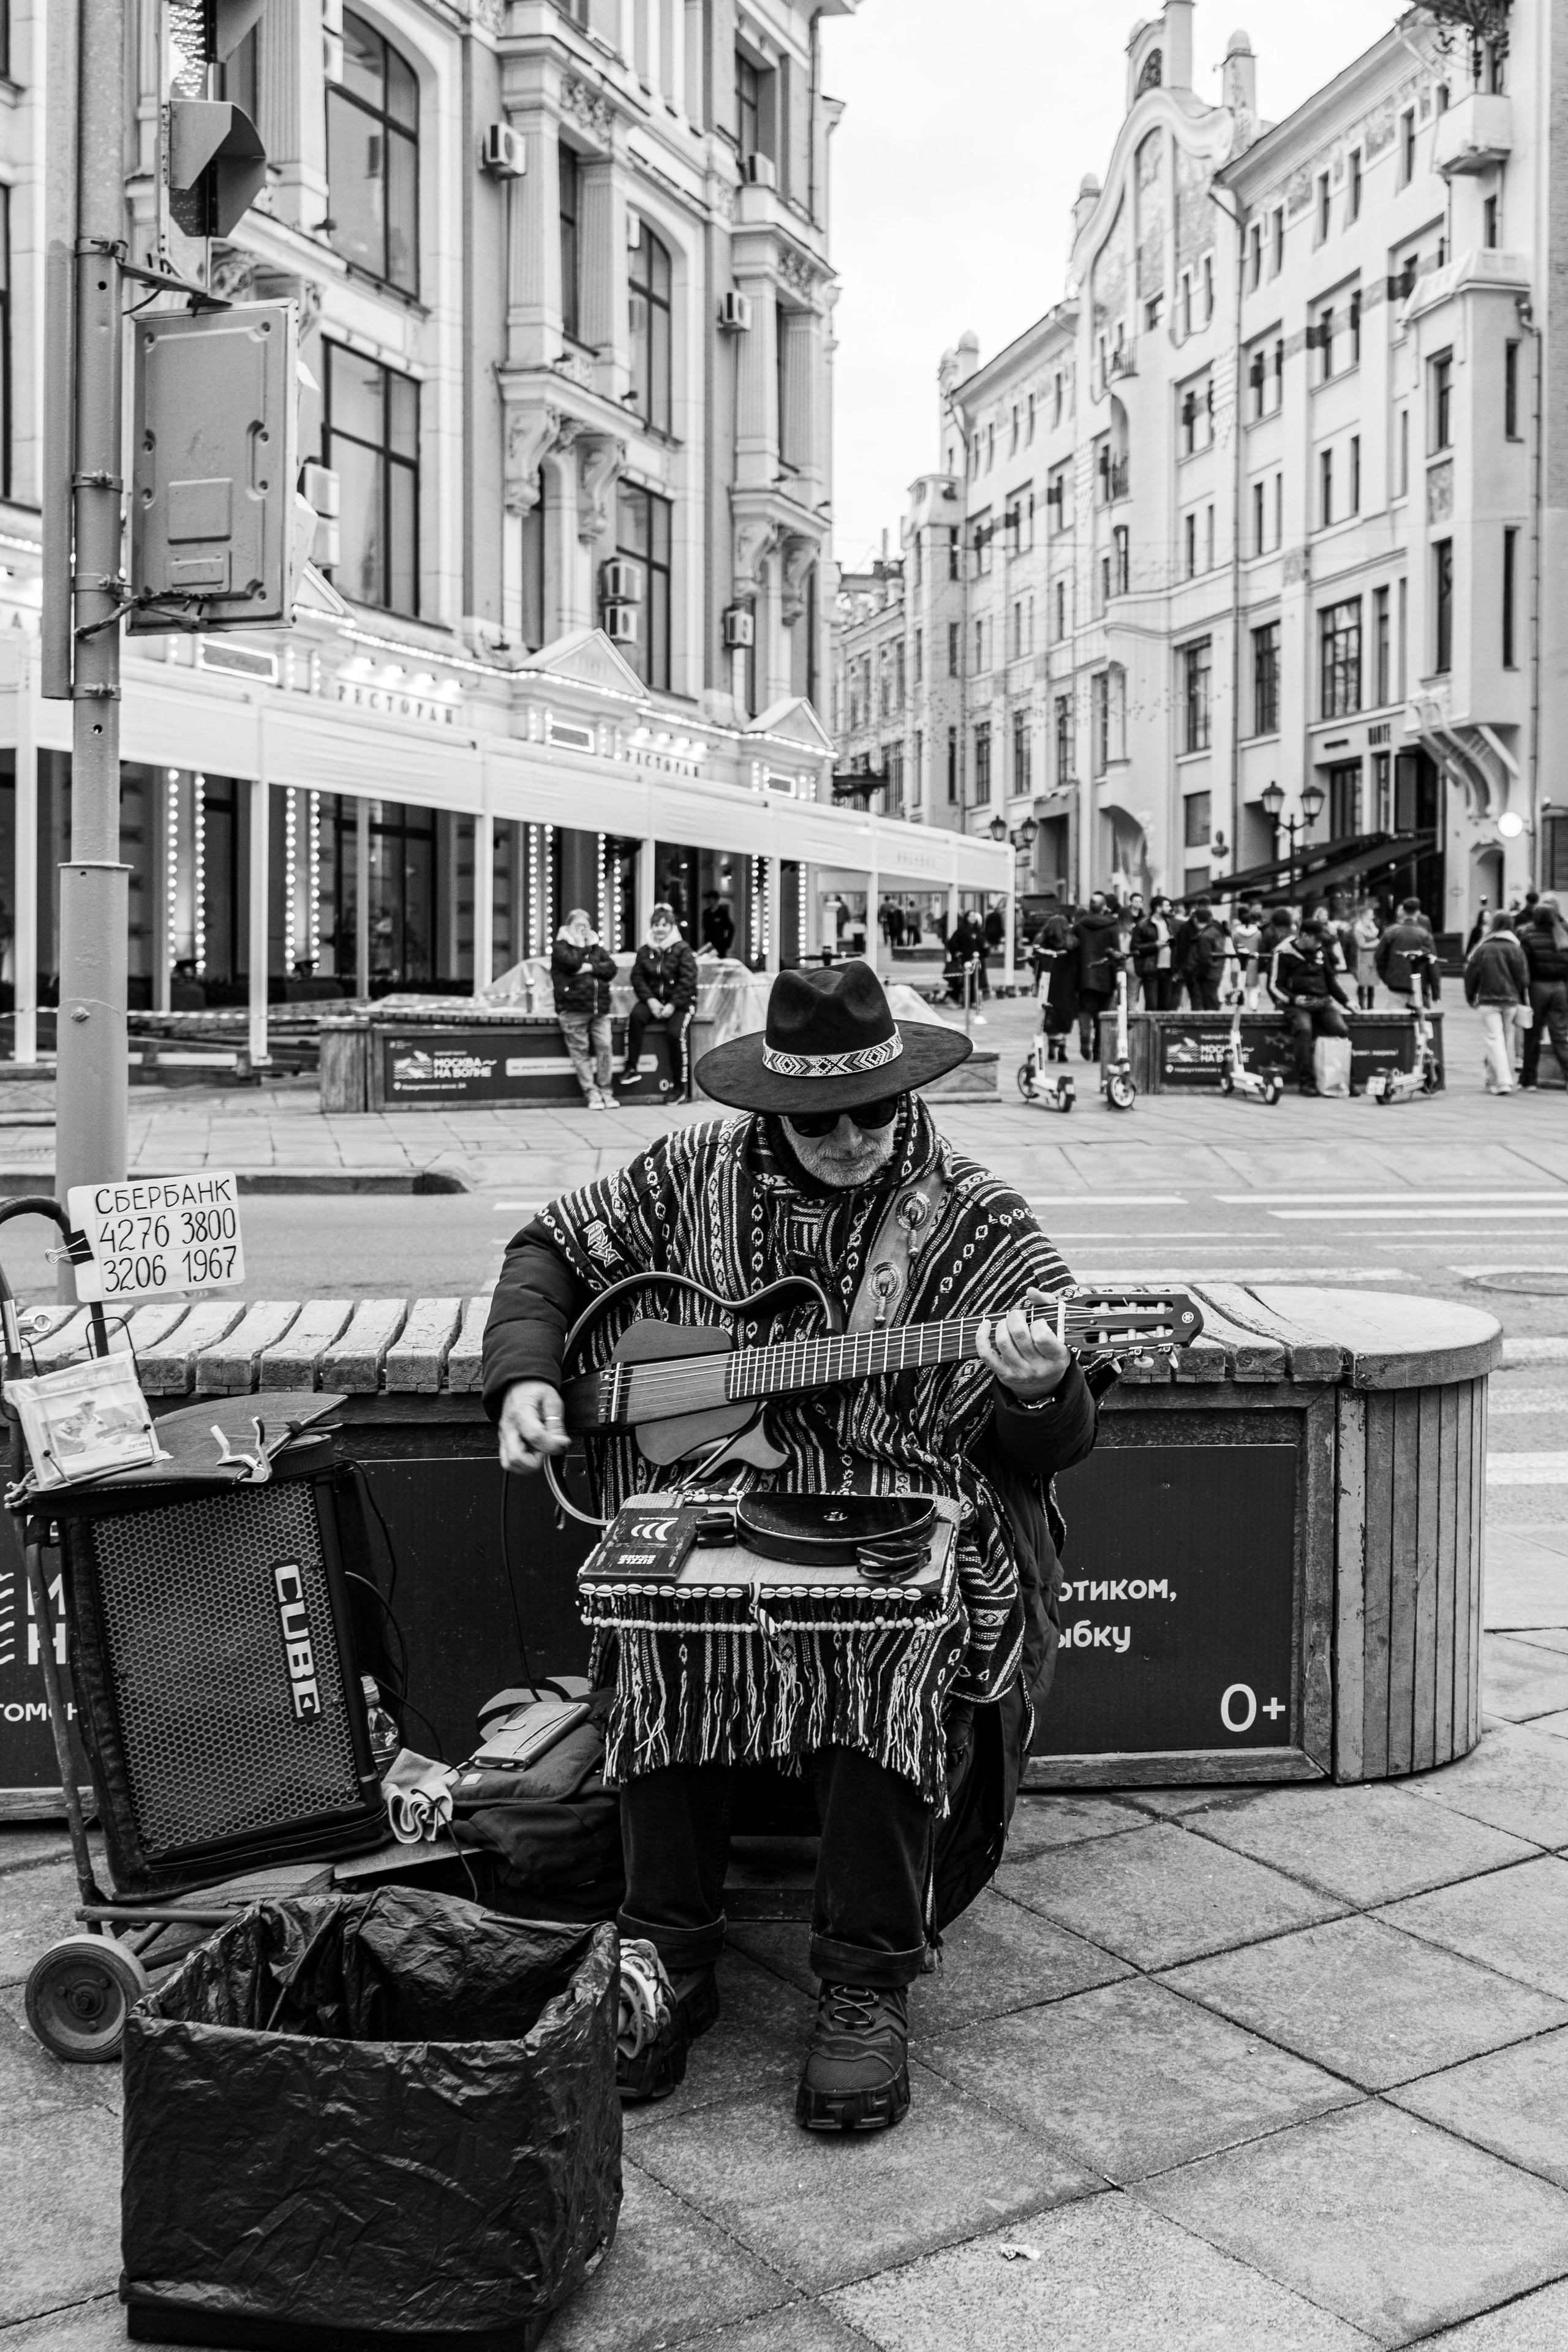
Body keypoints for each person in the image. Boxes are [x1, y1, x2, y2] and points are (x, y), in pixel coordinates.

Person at [483, 961, 1099, 2134]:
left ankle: (865, 1981)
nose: (854, 1139)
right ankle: (665, 1959)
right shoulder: (691, 1178)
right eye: (821, 1122)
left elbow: (1057, 1443)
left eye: (875, 1113)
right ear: (773, 1107)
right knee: (661, 1619)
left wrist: (1043, 1386)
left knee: (885, 1640)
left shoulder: (979, 1216)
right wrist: (523, 1377)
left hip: (905, 1513)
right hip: (711, 1496)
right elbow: (546, 1253)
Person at [1268, 907, 1351, 1094]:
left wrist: (1347, 1002)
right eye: (1316, 939)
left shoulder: (1320, 950)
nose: (1319, 943)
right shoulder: (1283, 953)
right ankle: (1306, 1082)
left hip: (1322, 1002)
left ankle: (1346, 1080)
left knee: (1341, 1030)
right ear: (1304, 936)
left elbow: (1331, 980)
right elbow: (1274, 986)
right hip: (1297, 1004)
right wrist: (1294, 999)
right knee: (1304, 1030)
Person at [621, 902, 699, 1097]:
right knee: (636, 1018)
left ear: (672, 927)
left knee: (675, 1035)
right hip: (654, 1001)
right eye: (657, 925)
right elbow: (637, 978)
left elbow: (688, 980)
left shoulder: (683, 949)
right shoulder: (644, 951)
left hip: (681, 1003)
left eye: (665, 925)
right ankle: (632, 1067)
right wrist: (650, 1000)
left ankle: (679, 1085)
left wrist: (673, 1005)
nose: (660, 929)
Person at [551, 908, 619, 1110]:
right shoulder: (561, 947)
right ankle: (591, 1092)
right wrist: (580, 946)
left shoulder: (596, 948)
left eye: (586, 926)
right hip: (573, 1010)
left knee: (605, 1049)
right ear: (568, 926)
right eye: (577, 926)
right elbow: (572, 964)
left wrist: (590, 967)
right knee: (581, 1054)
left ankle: (606, 1090)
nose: (582, 930)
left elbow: (611, 969)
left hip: (599, 1010)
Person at [1464, 911, 1530, 1094]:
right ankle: (1493, 1079)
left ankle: (1503, 1081)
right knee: (1503, 1040)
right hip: (1511, 1001)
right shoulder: (1516, 948)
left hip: (1488, 999)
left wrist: (1471, 996)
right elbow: (1524, 979)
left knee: (1494, 1039)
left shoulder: (1483, 948)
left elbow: (1471, 974)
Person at [1520, 894, 1568, 1090]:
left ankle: (1529, 1079)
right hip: (1559, 988)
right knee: (1560, 1035)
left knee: (1532, 1035)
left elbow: (1524, 969)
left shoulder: (1528, 937)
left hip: (1538, 988)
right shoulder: (1563, 937)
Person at [1074, 892, 1122, 1058]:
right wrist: (1118, 974)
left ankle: (1085, 1039)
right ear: (1104, 908)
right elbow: (1116, 951)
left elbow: (1074, 950)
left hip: (1085, 975)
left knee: (1085, 1010)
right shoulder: (1112, 926)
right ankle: (1099, 1050)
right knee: (1103, 1014)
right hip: (1106, 975)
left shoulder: (1080, 926)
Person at [1376, 898, 1441, 1008]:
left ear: (1403, 911)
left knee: (1397, 1021)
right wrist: (1436, 992)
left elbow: (1379, 958)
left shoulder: (1390, 933)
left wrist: (1388, 978)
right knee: (1419, 1022)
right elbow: (1432, 963)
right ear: (1418, 912)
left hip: (1396, 987)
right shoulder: (1425, 935)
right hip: (1420, 988)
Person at [1131, 894, 1176, 1010]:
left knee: (1166, 1006)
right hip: (1151, 970)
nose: (1169, 908)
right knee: (1152, 1005)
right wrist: (1155, 945)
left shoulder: (1169, 924)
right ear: (1158, 908)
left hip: (1168, 970)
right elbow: (1135, 948)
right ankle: (1151, 1029)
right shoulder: (1143, 925)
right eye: (1166, 906)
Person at [1230, 903, 1262, 1009]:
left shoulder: (1236, 933)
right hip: (1254, 962)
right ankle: (1253, 1007)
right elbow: (1260, 946)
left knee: (1240, 986)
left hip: (1239, 962)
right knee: (1253, 988)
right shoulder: (1258, 933)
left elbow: (1234, 947)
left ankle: (1240, 1007)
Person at [1351, 900, 1381, 1011]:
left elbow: (1375, 933)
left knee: (1371, 983)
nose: (1373, 916)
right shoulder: (1358, 928)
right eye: (1370, 914)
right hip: (1362, 958)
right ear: (1364, 915)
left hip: (1372, 958)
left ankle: (1370, 1006)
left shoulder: (1370, 925)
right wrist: (1377, 943)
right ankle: (1362, 1005)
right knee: (1362, 983)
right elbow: (1362, 945)